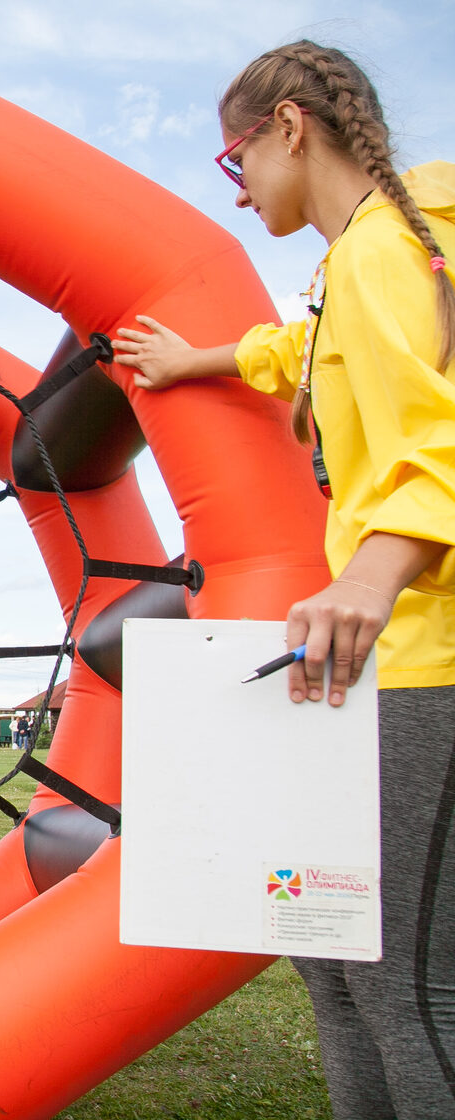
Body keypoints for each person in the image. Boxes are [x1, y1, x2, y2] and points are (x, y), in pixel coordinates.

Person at [113, 40, 455, 1118]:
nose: (242, 183)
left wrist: (372, 575)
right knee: (331, 963)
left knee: (407, 986)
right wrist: (199, 362)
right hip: (366, 666)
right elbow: (299, 350)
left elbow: (434, 441)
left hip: (419, 656)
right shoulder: (349, 264)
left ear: (290, 128)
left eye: (235, 158)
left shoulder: (384, 252)